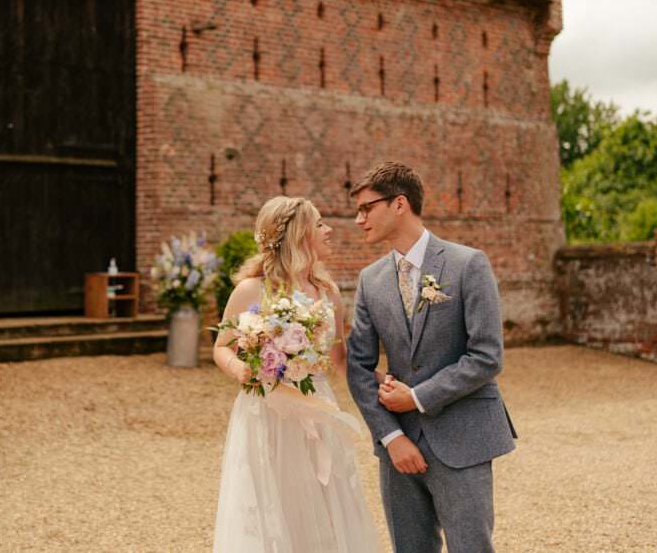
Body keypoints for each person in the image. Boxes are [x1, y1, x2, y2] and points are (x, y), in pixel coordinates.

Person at [345, 162, 517, 552]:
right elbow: (358, 365)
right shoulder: (370, 280)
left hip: (462, 436)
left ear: (399, 204)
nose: (359, 219)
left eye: (366, 208)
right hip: (398, 445)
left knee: (471, 547)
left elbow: (487, 356)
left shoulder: (467, 264)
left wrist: (418, 397)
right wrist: (390, 436)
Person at [212, 196, 380, 553]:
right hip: (266, 411)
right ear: (298, 234)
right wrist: (241, 368)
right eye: (319, 223)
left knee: (323, 497)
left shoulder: (328, 293)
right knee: (273, 498)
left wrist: (380, 381)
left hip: (316, 407)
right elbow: (221, 345)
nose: (329, 229)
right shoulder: (251, 290)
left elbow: (340, 359)